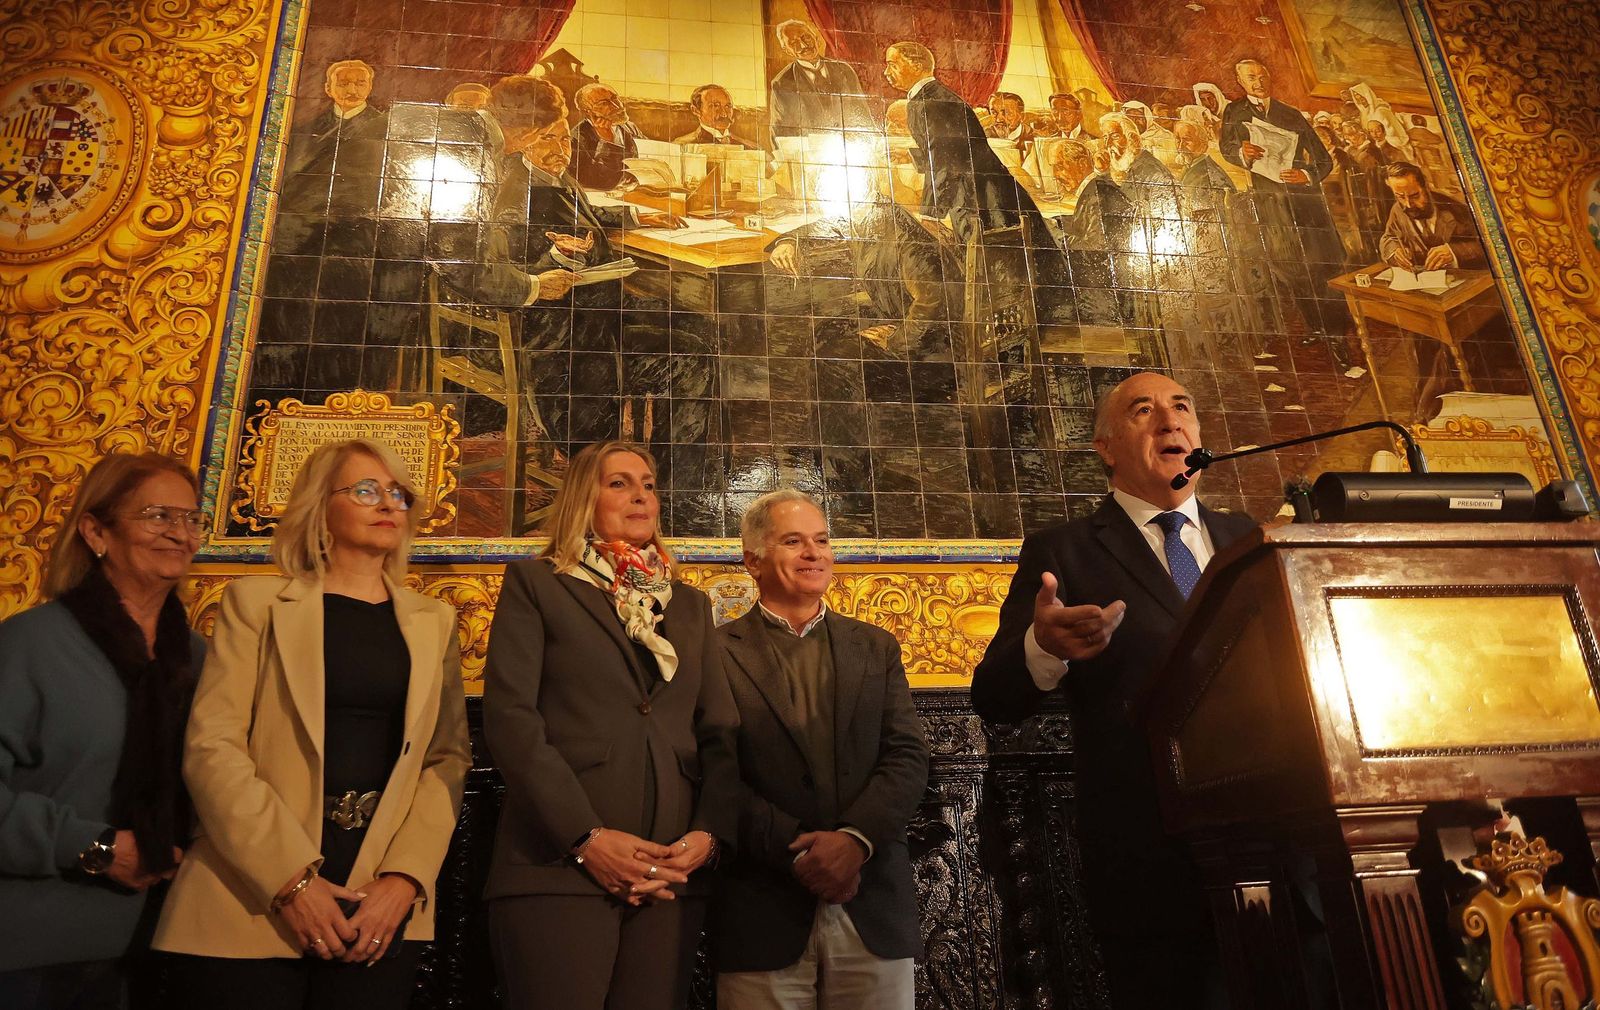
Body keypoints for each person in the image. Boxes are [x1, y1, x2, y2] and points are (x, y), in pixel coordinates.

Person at [971, 372, 1257, 1008]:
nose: (1169, 420)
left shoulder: (1249, 538)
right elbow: (994, 695)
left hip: (1276, 846)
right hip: (1151, 860)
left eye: (1181, 407)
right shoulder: (1065, 550)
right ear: (1105, 445)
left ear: (1200, 436)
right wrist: (1044, 647)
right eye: (1143, 411)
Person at [152, 439, 471, 1010]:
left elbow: (445, 759)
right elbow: (213, 747)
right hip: (248, 897)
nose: (388, 504)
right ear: (320, 506)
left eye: (398, 494)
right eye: (367, 491)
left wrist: (404, 880)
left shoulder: (434, 621)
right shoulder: (256, 603)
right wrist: (290, 881)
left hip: (375, 902)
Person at [481, 440, 741, 1010]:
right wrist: (584, 837)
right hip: (557, 869)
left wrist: (705, 836)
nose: (640, 495)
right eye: (619, 482)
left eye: (648, 483)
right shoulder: (538, 584)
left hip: (669, 873)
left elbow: (720, 732)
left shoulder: (690, 607)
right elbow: (511, 719)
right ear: (582, 497)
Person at [0, 453, 206, 1010]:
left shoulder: (200, 659)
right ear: (95, 531)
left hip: (166, 949)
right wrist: (95, 848)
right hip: (36, 955)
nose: (180, 534)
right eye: (159, 515)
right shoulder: (30, 645)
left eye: (191, 519)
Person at [712, 490, 928, 1009]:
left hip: (870, 899)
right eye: (793, 541)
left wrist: (853, 841)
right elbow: (712, 772)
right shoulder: (713, 652)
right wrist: (802, 852)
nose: (814, 553)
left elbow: (907, 755)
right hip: (763, 905)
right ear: (753, 560)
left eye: (822, 540)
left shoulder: (875, 646)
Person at [1219, 59, 1349, 337]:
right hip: (1271, 204)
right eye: (1251, 77)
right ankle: (1315, 329)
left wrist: (1308, 175)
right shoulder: (1234, 111)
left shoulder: (1291, 114)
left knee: (1321, 265)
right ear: (1240, 81)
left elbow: (1323, 160)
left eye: (1263, 76)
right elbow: (1227, 147)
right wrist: (1243, 153)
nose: (1259, 81)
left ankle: (1339, 330)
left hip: (1304, 202)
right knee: (1290, 268)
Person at [768, 20, 872, 137]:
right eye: (793, 43)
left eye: (806, 37)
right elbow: (780, 133)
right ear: (787, 50)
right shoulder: (781, 83)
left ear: (816, 38)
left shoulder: (845, 70)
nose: (803, 45)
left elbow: (864, 116)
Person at [1378, 161, 1487, 270]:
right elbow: (1388, 237)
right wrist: (1395, 250)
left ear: (1425, 187)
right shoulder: (1398, 210)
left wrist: (1454, 251)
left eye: (1415, 195)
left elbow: (1488, 244)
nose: (1408, 204)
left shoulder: (1455, 209)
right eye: (1400, 196)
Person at [570, 82, 643, 191]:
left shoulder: (630, 127)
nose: (616, 106)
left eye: (615, 98)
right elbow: (598, 180)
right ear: (588, 112)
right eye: (604, 103)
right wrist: (607, 141)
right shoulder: (577, 138)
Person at [675, 85, 759, 148]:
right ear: (696, 110)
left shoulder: (752, 148)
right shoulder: (681, 146)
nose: (724, 114)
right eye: (715, 106)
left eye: (727, 106)